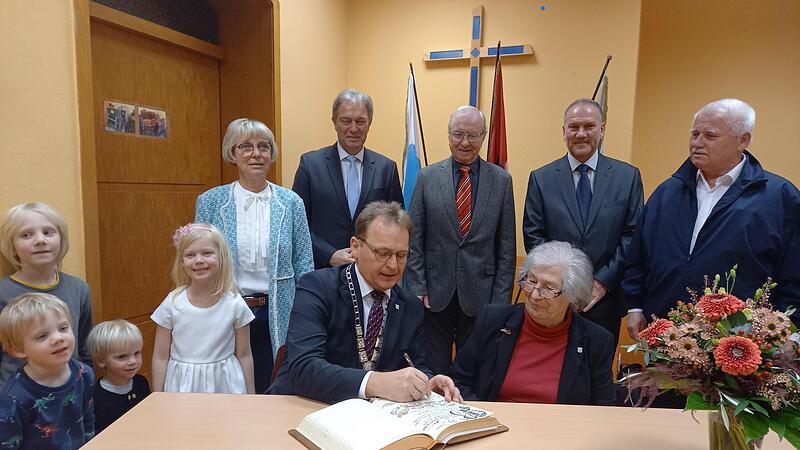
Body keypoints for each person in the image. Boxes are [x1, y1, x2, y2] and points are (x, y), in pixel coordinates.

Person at [623, 98, 800, 339]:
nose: (697, 143)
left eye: (710, 135)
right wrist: (634, 306)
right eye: (694, 134)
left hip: (742, 342)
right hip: (666, 333)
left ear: (743, 140)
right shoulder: (667, 193)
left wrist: (792, 331)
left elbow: (794, 272)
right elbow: (639, 256)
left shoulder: (779, 198)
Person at [269, 201, 461, 404]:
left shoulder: (410, 306)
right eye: (383, 253)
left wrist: (428, 383)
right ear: (355, 247)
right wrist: (374, 382)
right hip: (303, 407)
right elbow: (303, 369)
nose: (393, 265)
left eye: (401, 255)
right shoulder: (316, 287)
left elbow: (414, 364)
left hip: (371, 417)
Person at [196, 118, 313, 393]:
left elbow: (304, 262)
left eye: (264, 146)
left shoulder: (291, 202)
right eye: (246, 147)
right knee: (232, 385)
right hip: (228, 309)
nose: (256, 154)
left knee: (277, 385)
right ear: (232, 153)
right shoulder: (210, 201)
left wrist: (306, 312)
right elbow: (198, 260)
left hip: (279, 310)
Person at [405, 106, 516, 375]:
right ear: (448, 135)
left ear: (483, 136)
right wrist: (418, 286)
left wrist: (500, 302)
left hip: (482, 297)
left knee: (473, 372)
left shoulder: (501, 181)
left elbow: (506, 248)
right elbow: (415, 239)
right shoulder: (427, 177)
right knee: (434, 372)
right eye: (458, 134)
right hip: (434, 296)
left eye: (472, 135)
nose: (464, 142)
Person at [523, 99, 643, 346]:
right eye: (574, 127)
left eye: (589, 126)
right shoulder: (541, 179)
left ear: (602, 129)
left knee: (597, 368)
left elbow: (632, 235)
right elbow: (534, 236)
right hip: (555, 300)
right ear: (563, 131)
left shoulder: (627, 177)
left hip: (605, 301)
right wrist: (561, 284)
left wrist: (602, 282)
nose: (581, 134)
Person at [451, 241, 617, 405]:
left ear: (572, 295)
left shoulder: (596, 341)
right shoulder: (493, 320)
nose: (535, 295)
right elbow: (460, 382)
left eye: (548, 288)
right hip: (497, 420)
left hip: (559, 423)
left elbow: (604, 408)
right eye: (531, 281)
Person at [292, 89, 404, 269]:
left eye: (360, 121)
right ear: (334, 122)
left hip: (372, 271)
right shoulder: (311, 165)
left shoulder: (386, 168)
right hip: (324, 271)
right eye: (346, 121)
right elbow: (297, 224)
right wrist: (329, 255)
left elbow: (395, 224)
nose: (353, 129)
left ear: (369, 123)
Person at [151, 224, 255, 394]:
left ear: (222, 257)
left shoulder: (235, 303)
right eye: (190, 255)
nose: (199, 260)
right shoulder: (172, 303)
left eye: (207, 253)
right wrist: (157, 395)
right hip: (182, 387)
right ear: (181, 262)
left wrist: (251, 395)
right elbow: (160, 357)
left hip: (226, 386)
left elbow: (244, 355)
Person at [0, 202, 94, 385]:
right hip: (18, 396)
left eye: (48, 232)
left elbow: (84, 348)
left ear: (61, 238)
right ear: (12, 246)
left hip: (70, 391)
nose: (40, 240)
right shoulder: (3, 293)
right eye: (26, 235)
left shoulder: (79, 288)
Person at [0, 293, 95, 448]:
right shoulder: (13, 398)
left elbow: (88, 421)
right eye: (42, 336)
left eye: (63, 328)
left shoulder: (85, 374)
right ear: (18, 349)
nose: (58, 338)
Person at [87, 319, 151, 434]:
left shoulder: (141, 383)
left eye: (136, 353)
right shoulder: (96, 396)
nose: (133, 361)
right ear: (101, 360)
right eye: (122, 357)